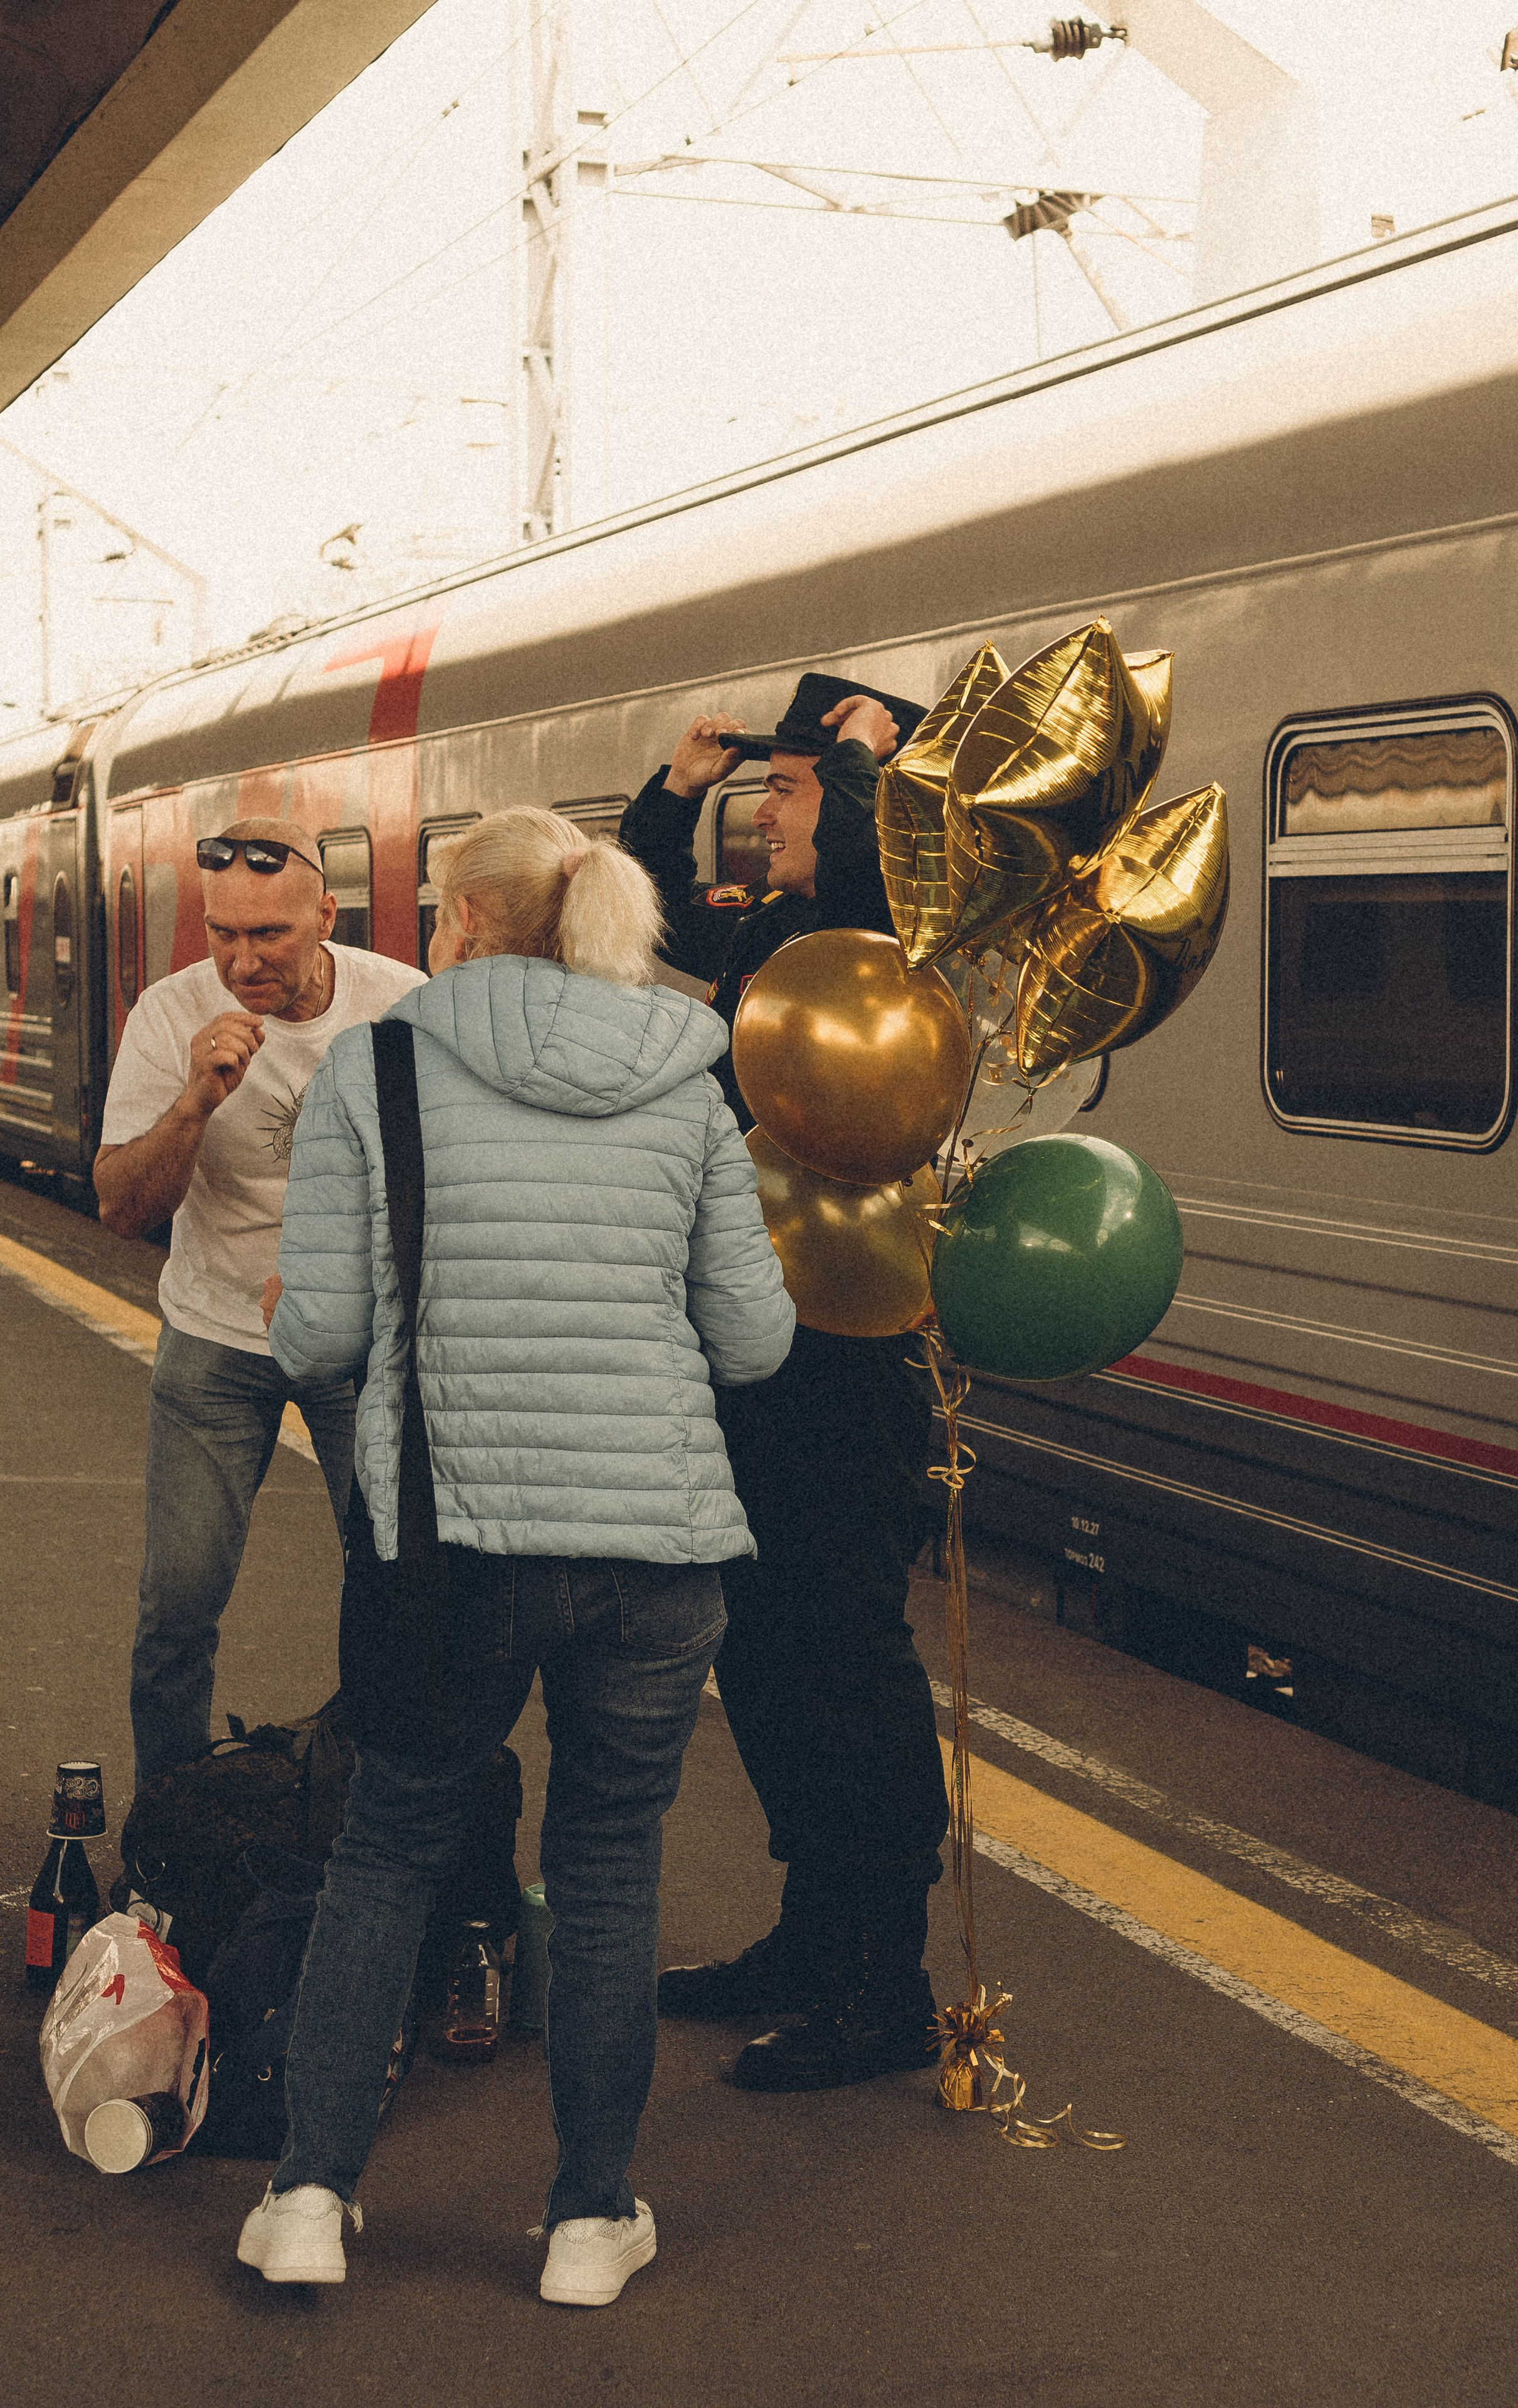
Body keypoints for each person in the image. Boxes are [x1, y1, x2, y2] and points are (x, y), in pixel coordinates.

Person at [236, 806, 794, 2304]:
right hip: (654, 1549)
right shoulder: (688, 1077)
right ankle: (588, 2225)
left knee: (388, 1849)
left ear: (468, 924)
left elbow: (321, 1337)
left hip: (452, 1546)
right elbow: (752, 1341)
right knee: (607, 1867)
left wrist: (300, 1308)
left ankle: (308, 2197)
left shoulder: (379, 1067)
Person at [617, 671, 952, 2094]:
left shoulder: (890, 947)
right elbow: (642, 923)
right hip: (761, 1352)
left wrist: (871, 771)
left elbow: (886, 878)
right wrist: (674, 798)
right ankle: (812, 1935)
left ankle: (884, 1982)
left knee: (845, 1663)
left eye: (792, 789)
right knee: (762, 1653)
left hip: (852, 1362)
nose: (768, 810)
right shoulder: (773, 941)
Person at [95, 819, 426, 1787]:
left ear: (326, 915)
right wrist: (195, 1102)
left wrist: (343, 1273)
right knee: (178, 1602)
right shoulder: (171, 1015)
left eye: (269, 934)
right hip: (217, 1342)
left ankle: (373, 1818)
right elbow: (122, 1209)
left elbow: (450, 1188)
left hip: (360, 1347)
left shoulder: (401, 1007)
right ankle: (170, 1818)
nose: (242, 961)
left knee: (398, 1590)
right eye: (222, 934)